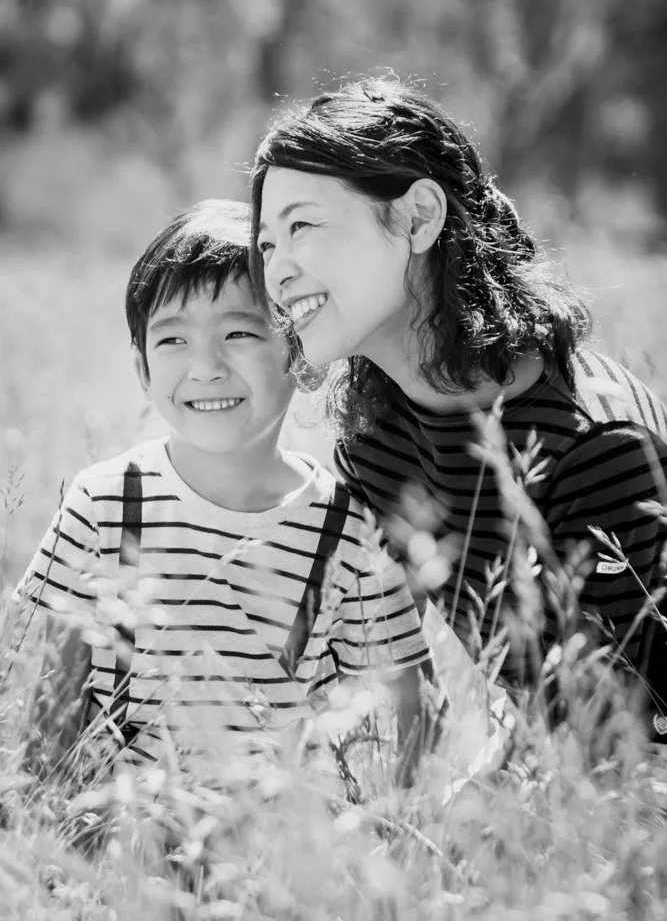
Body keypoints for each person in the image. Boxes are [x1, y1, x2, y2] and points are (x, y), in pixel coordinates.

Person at [250, 76, 667, 744]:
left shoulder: (596, 445)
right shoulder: (375, 441)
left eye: (301, 225)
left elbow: (605, 744)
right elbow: (371, 673)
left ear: (418, 218)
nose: (277, 270)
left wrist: (473, 789)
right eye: (268, 243)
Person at [18, 198, 432, 773]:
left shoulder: (346, 531)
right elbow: (47, 711)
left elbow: (406, 720)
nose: (206, 366)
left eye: (239, 332)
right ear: (142, 371)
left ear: (304, 357)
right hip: (119, 823)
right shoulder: (103, 504)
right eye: (173, 341)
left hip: (282, 824)